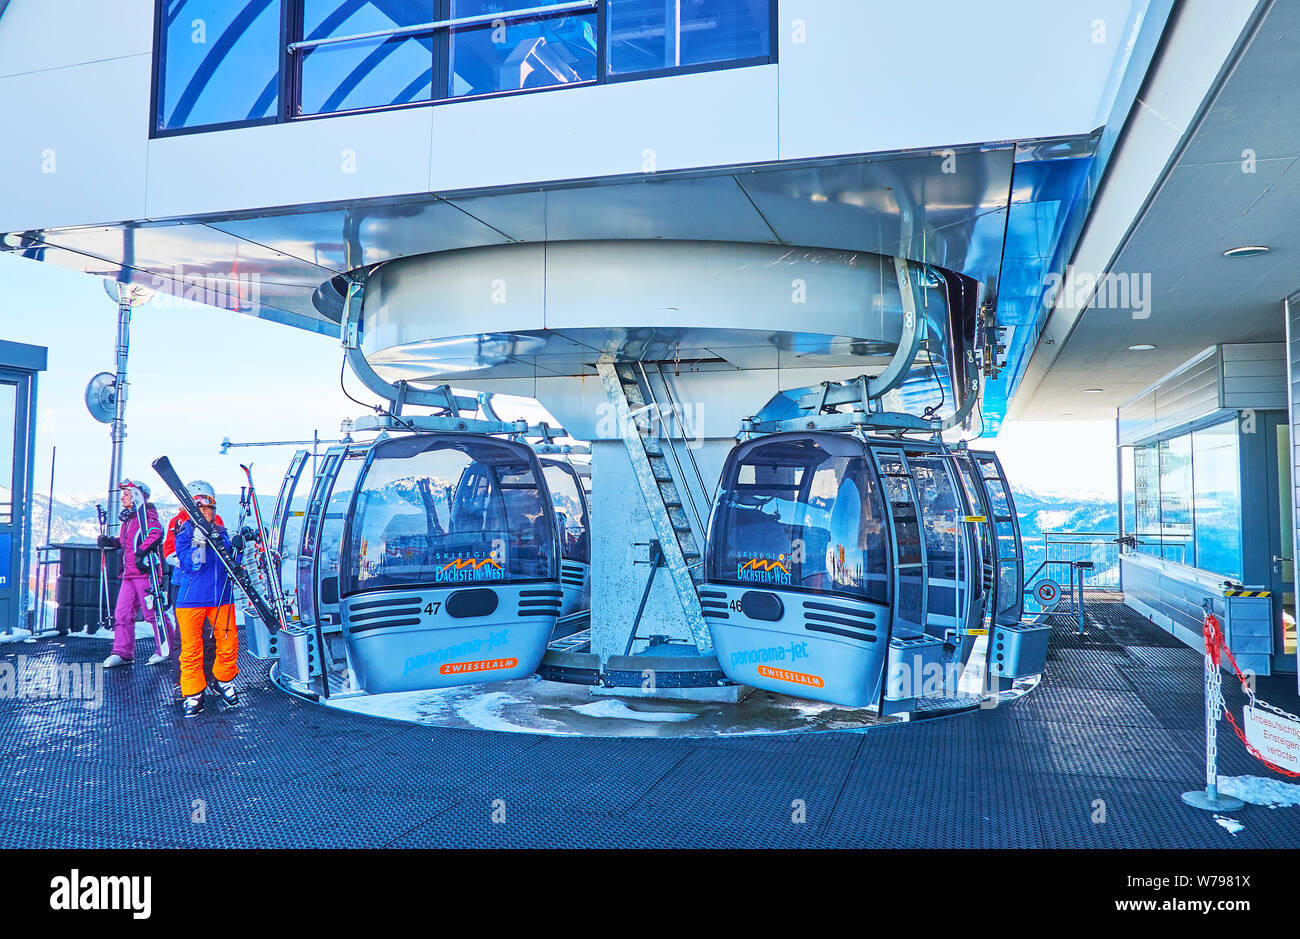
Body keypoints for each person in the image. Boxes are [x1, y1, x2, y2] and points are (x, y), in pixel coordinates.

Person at [173, 481, 246, 718]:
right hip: (191, 599)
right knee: (191, 648)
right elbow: (192, 564)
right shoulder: (184, 535)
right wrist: (199, 539)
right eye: (200, 508)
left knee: (228, 642)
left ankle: (224, 679)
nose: (205, 512)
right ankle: (193, 692)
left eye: (209, 507)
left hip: (220, 596)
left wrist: (239, 547)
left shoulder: (221, 533)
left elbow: (230, 563)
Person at [97, 479, 164, 668]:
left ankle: (167, 647)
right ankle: (122, 652)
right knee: (122, 613)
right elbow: (127, 542)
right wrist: (111, 542)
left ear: (137, 496)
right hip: (129, 573)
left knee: (152, 613)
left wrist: (141, 553)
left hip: (144, 573)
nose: (122, 498)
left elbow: (156, 533)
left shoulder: (146, 515)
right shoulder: (129, 520)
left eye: (126, 494)